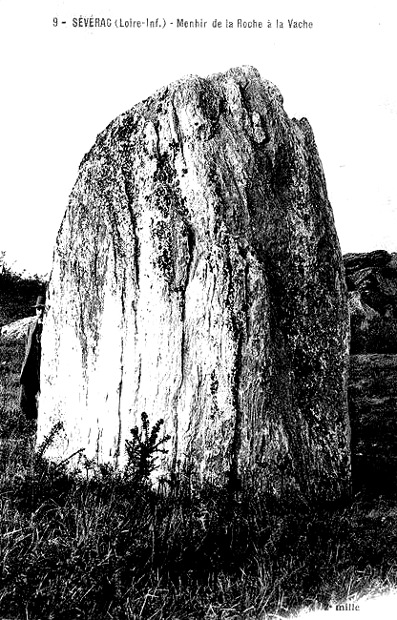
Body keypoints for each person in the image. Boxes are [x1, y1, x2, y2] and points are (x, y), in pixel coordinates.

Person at [19, 295, 46, 420]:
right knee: (24, 397)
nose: (40, 311)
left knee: (42, 396)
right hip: (31, 365)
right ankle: (30, 421)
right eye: (38, 309)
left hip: (42, 366)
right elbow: (27, 346)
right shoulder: (31, 326)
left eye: (42, 309)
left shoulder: (49, 327)